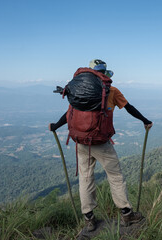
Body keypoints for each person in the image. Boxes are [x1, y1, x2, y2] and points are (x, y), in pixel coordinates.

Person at [49, 59, 153, 231]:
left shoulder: (79, 91)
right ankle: (127, 215)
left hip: (81, 142)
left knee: (85, 178)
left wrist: (54, 126)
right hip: (101, 143)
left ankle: (89, 219)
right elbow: (129, 107)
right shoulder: (111, 91)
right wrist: (145, 121)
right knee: (115, 176)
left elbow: (69, 114)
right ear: (105, 73)